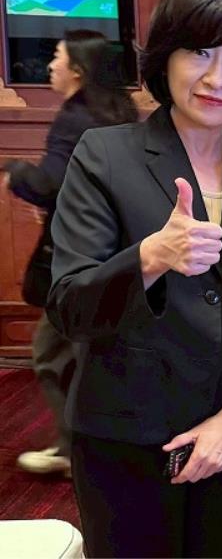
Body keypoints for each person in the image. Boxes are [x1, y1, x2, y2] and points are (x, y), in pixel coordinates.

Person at [47, 0, 222, 557]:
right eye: (200, 52)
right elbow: (69, 306)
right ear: (166, 57)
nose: (216, 77)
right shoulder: (105, 156)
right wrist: (151, 256)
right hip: (125, 438)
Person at [1, 30, 138, 477]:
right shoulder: (121, 111)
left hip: (77, 259)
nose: (50, 65)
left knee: (51, 353)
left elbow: (52, 185)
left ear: (77, 69)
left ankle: (76, 451)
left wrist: (14, 171)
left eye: (57, 57)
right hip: (120, 254)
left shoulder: (74, 118)